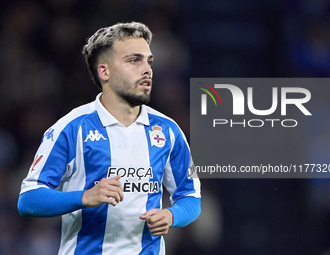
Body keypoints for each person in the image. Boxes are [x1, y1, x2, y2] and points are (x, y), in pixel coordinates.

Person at [17, 21, 201, 255]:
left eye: (149, 61)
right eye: (134, 60)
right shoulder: (72, 128)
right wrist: (84, 197)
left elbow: (191, 198)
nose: (147, 69)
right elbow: (29, 200)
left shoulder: (169, 131)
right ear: (104, 71)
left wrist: (171, 215)